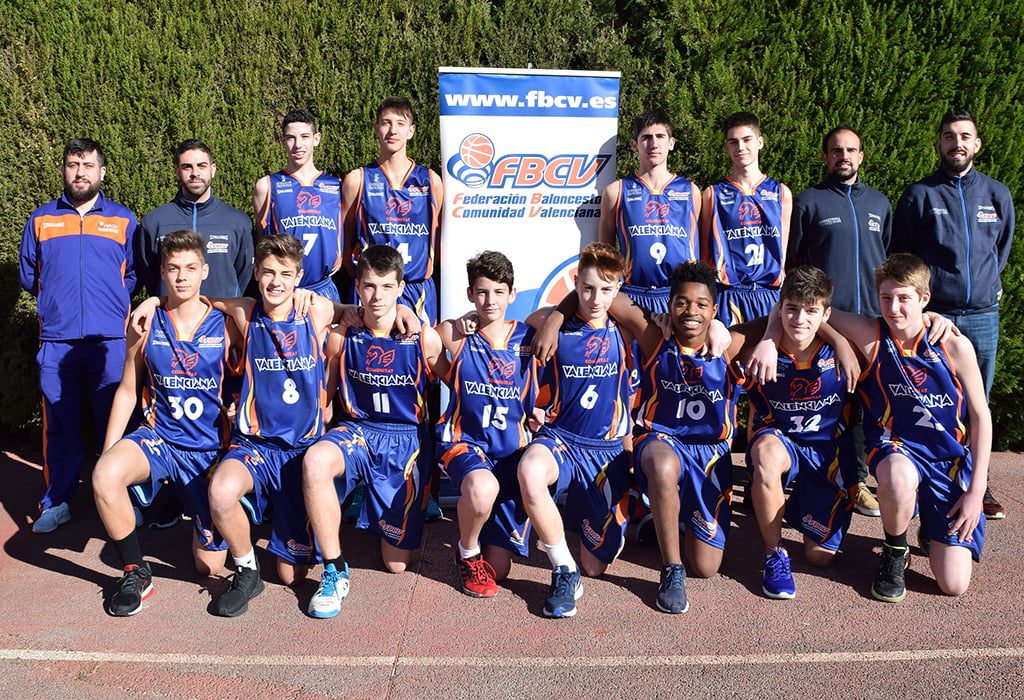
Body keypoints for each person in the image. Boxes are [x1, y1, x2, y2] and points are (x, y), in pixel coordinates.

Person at [827, 253, 990, 602]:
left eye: (905, 298)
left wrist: (976, 493)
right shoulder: (872, 336)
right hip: (897, 449)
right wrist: (840, 341)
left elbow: (981, 416)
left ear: (924, 299)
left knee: (953, 584)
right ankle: (894, 551)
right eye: (886, 298)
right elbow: (816, 309)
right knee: (898, 478)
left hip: (949, 463)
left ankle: (931, 529)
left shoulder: (954, 345)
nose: (894, 307)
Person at [93, 230, 236, 616]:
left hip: (207, 452)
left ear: (205, 270)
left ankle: (192, 512)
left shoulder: (226, 324)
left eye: (190, 267)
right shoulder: (144, 323)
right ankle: (135, 570)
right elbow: (127, 390)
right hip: (159, 439)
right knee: (105, 476)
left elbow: (269, 309)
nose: (182, 276)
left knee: (209, 567)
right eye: (173, 268)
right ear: (162, 271)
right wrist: (108, 454)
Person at [302, 245, 443, 618]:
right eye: (368, 286)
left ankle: (387, 505)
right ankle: (333, 568)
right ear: (358, 288)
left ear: (401, 289)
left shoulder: (423, 338)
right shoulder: (341, 336)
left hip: (406, 440)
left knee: (396, 564)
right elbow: (325, 399)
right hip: (358, 431)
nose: (376, 296)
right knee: (315, 462)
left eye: (386, 286)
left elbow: (459, 379)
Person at [890, 109, 1014, 519]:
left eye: (964, 136)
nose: (956, 143)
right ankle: (933, 479)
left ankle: (980, 480)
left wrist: (986, 287)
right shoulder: (920, 195)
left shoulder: (997, 194)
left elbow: (1002, 249)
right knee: (938, 402)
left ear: (976, 144)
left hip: (981, 317)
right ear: (939, 143)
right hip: (935, 316)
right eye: (948, 136)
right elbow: (903, 257)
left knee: (979, 402)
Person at [19, 138, 137, 533]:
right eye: (73, 164)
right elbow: (30, 276)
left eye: (88, 165)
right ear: (64, 170)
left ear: (102, 172)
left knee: (116, 425)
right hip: (57, 341)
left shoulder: (123, 219)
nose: (80, 172)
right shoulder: (41, 219)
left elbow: (134, 274)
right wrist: (59, 304)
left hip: (110, 344)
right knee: (60, 425)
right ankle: (57, 500)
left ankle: (122, 501)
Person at [516, 242, 633, 619]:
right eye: (586, 288)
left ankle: (572, 519)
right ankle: (564, 571)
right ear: (575, 285)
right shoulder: (553, 323)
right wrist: (554, 318)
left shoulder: (627, 331)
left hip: (607, 449)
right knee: (530, 471)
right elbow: (531, 319)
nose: (594, 298)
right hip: (562, 440)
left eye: (605, 289)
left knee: (598, 563)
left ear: (618, 289)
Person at [788, 124, 893, 518]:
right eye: (836, 150)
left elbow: (889, 261)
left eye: (851, 150)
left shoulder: (880, 204)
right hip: (829, 325)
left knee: (872, 406)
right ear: (825, 156)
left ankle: (863, 480)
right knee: (832, 406)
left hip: (873, 323)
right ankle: (829, 483)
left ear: (861, 156)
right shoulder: (809, 201)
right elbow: (795, 266)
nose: (843, 156)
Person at [745, 266, 857, 600]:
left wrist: (938, 320)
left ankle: (792, 506)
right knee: (765, 455)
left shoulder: (847, 347)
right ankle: (774, 555)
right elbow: (709, 335)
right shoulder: (758, 346)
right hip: (781, 442)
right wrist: (766, 337)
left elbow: (900, 330)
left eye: (810, 311)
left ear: (826, 314)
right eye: (791, 308)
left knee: (820, 558)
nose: (800, 319)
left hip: (827, 452)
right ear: (779, 309)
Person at [436, 251, 537, 598]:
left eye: (498, 292)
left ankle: (477, 537)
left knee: (501, 570)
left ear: (512, 294)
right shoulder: (460, 335)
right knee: (482, 489)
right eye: (481, 292)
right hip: (467, 444)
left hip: (510, 452)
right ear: (469, 294)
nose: (489, 300)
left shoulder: (527, 338)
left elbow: (556, 314)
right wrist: (457, 325)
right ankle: (467, 554)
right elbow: (430, 340)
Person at [342, 97, 443, 324]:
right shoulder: (358, 180)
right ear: (376, 129)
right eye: (386, 123)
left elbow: (438, 241)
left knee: (421, 356)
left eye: (400, 123)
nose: (392, 130)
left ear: (411, 131)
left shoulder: (430, 181)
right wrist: (364, 278)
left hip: (417, 290)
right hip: (373, 291)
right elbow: (344, 242)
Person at [597, 110, 701, 313]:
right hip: (633, 295)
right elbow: (605, 254)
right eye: (646, 137)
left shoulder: (690, 191)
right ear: (634, 145)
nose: (654, 144)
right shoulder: (616, 191)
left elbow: (699, 246)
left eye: (660, 136)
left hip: (679, 296)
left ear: (671, 143)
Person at [701, 112, 792, 326]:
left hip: (768, 294)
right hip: (728, 294)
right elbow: (705, 254)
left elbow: (783, 252)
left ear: (760, 142)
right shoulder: (713, 194)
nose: (740, 147)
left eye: (747, 140)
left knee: (770, 359)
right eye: (733, 142)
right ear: (727, 147)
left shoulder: (780, 192)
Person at [137, 139, 254, 299]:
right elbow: (150, 277)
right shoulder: (154, 222)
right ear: (177, 171)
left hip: (222, 320)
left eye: (201, 166)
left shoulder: (239, 222)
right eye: (187, 167)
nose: (195, 173)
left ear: (212, 170)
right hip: (171, 320)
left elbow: (245, 276)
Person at [253, 109, 344, 302]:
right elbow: (262, 244)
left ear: (316, 139)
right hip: (283, 291)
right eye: (291, 138)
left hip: (324, 289)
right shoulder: (267, 186)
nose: (298, 144)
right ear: (282, 141)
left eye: (304, 136)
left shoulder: (337, 186)